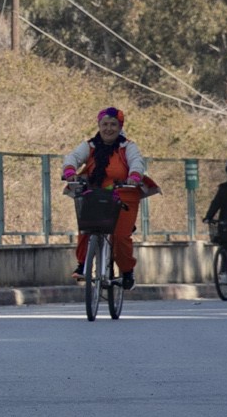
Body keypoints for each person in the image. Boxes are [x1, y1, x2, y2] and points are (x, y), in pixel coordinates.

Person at [60, 106, 156, 290]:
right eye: (105, 124)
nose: (108, 128)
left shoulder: (127, 146)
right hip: (95, 195)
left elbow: (136, 161)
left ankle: (127, 271)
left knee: (120, 237)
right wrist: (70, 170)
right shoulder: (90, 146)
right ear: (99, 125)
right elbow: (73, 157)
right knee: (86, 228)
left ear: (120, 127)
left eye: (113, 124)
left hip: (124, 195)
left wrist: (134, 175)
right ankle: (83, 264)